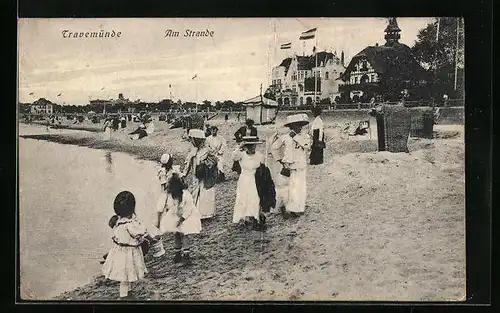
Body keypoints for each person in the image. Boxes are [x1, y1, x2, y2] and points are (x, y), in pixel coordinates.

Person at [102, 191, 153, 300]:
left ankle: (127, 293)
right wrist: (151, 240)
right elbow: (142, 232)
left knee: (125, 274)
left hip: (120, 252)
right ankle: (124, 296)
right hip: (129, 253)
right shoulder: (130, 224)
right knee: (126, 275)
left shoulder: (117, 221)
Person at [155, 154, 202, 264]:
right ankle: (178, 253)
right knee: (177, 233)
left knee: (184, 233)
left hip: (186, 216)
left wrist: (181, 218)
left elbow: (188, 208)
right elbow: (161, 206)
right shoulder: (170, 193)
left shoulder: (184, 195)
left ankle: (185, 255)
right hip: (176, 212)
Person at [271, 114, 312, 217]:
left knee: (299, 188)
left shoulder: (305, 137)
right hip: (288, 166)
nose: (299, 128)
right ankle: (285, 207)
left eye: (300, 125)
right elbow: (274, 147)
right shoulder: (284, 137)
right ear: (291, 127)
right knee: (286, 188)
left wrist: (296, 137)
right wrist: (280, 160)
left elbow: (307, 146)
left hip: (300, 166)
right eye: (296, 126)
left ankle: (297, 208)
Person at [182, 129, 218, 220]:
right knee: (195, 192)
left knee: (205, 193)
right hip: (196, 175)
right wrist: (184, 174)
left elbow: (214, 160)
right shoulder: (193, 150)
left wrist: (205, 163)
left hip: (205, 175)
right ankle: (194, 212)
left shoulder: (207, 150)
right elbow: (188, 162)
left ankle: (205, 213)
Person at [231, 136, 266, 229]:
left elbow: (262, 167)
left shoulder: (259, 155)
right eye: (249, 146)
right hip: (244, 179)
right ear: (245, 147)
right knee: (243, 198)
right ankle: (246, 218)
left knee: (255, 198)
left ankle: (254, 217)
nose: (252, 148)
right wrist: (239, 146)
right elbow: (234, 156)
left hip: (256, 179)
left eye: (253, 146)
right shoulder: (241, 155)